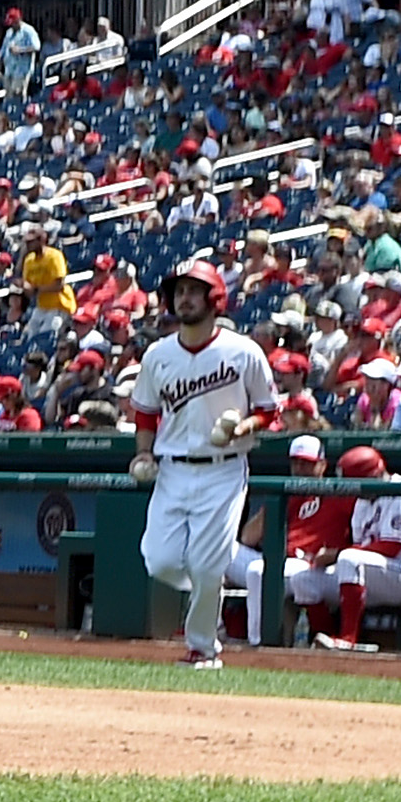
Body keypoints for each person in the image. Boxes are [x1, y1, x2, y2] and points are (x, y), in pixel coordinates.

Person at [128, 260, 282, 669]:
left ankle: (203, 648)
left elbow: (270, 411)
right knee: (159, 560)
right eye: (179, 291)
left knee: (208, 562)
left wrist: (243, 426)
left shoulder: (243, 350)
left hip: (224, 469)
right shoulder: (159, 355)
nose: (185, 298)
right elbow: (145, 413)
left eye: (194, 290)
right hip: (173, 467)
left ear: (215, 298)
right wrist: (143, 452)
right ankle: (205, 580)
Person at [222, 433, 341, 647]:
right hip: (280, 561)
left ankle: (259, 644)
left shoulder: (338, 493)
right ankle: (215, 628)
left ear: (322, 465)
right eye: (295, 463)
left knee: (259, 570)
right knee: (218, 549)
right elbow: (248, 538)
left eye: (306, 464)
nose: (299, 469)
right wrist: (274, 507)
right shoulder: (286, 492)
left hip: (310, 566)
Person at [299, 445, 401, 651]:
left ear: (374, 477)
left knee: (349, 558)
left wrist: (337, 555)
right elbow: (359, 545)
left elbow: (392, 547)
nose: (353, 491)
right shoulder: (362, 501)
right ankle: (324, 639)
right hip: (370, 575)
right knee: (303, 579)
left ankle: (347, 640)